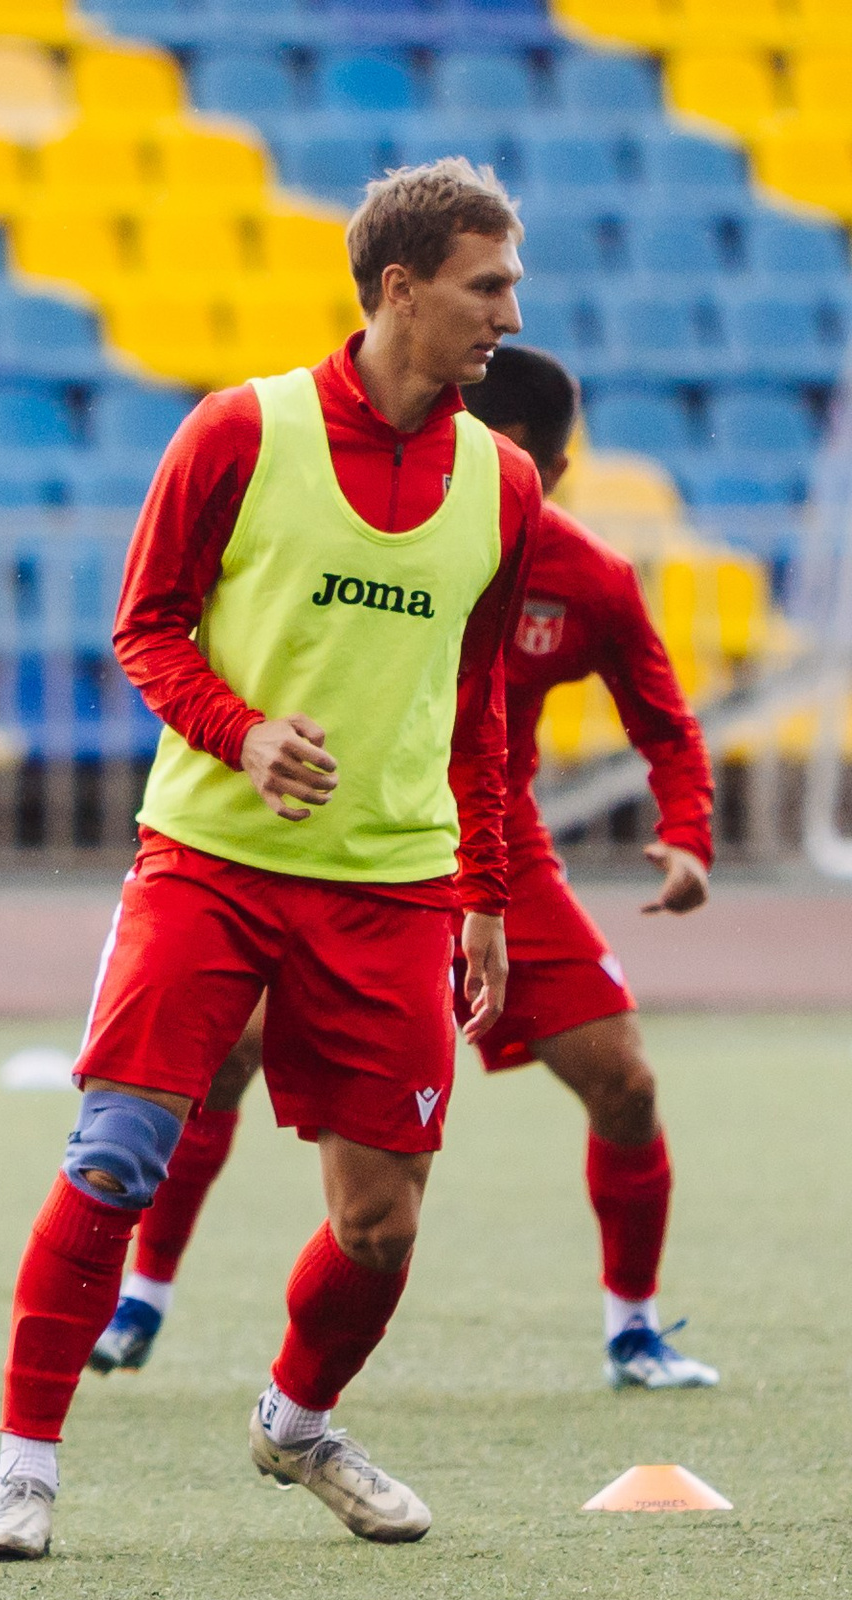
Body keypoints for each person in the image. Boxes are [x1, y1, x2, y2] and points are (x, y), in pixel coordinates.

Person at [0, 159, 546, 1561]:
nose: (509, 315)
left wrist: (484, 892)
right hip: (210, 861)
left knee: (381, 1224)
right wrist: (243, 733)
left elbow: (479, 707)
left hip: (392, 887)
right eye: (486, 286)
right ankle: (23, 1474)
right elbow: (144, 627)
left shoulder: (505, 482)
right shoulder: (239, 429)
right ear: (399, 287)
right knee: (117, 1156)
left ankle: (296, 1420)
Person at [85, 344, 719, 1392]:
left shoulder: (588, 576)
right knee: (224, 1061)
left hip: (491, 850)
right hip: (333, 843)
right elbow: (158, 626)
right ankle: (141, 1299)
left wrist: (688, 830)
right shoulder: (348, 510)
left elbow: (663, 722)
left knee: (626, 1082)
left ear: (546, 473)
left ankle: (635, 1331)